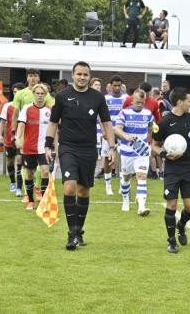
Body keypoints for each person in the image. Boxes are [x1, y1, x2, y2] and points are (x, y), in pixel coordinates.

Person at [45, 61, 116, 250]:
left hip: (88, 149)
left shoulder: (98, 98)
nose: (82, 77)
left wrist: (112, 147)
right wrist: (47, 145)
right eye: (79, 74)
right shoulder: (62, 96)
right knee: (69, 187)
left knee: (84, 191)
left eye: (85, 75)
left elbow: (107, 123)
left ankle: (79, 231)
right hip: (68, 147)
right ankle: (71, 233)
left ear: (89, 77)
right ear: (73, 75)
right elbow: (53, 123)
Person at [151, 88, 190, 254]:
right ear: (179, 102)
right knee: (172, 204)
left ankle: (181, 225)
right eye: (189, 101)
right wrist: (163, 153)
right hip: (172, 169)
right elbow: (154, 146)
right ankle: (171, 241)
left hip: (189, 167)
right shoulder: (164, 122)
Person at [113, 89, 154, 215]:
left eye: (142, 102)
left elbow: (150, 129)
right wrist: (126, 136)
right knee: (125, 178)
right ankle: (126, 199)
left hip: (141, 151)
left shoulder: (148, 113)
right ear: (132, 100)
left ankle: (141, 206)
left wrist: (148, 143)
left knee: (141, 176)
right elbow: (117, 129)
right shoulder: (124, 113)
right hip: (126, 151)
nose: (140, 105)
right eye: (137, 102)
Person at [15, 84, 51, 210]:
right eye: (37, 93)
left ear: (45, 95)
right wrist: (18, 138)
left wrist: (55, 145)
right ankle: (31, 201)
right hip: (29, 147)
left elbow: (54, 129)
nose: (40, 95)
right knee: (29, 174)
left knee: (45, 171)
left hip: (43, 148)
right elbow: (20, 124)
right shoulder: (26, 108)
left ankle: (44, 202)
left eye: (42, 93)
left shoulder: (49, 110)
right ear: (34, 94)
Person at [101, 75, 127, 194]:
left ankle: (123, 184)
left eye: (119, 86)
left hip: (122, 131)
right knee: (107, 157)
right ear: (110, 86)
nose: (117, 88)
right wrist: (103, 131)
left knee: (123, 157)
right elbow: (100, 117)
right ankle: (108, 185)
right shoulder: (105, 98)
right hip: (109, 131)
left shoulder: (126, 98)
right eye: (114, 85)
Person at [0, 84, 24, 196]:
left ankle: (19, 187)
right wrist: (0, 135)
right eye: (14, 92)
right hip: (9, 138)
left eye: (18, 92)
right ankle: (12, 182)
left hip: (22, 138)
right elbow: (2, 122)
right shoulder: (7, 106)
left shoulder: (26, 106)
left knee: (19, 161)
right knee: (10, 161)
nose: (16, 94)